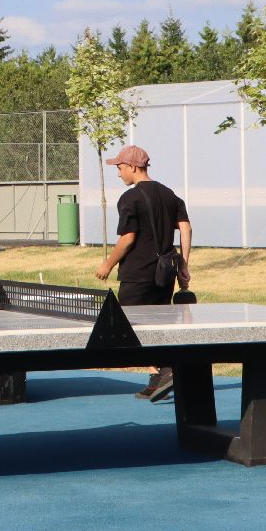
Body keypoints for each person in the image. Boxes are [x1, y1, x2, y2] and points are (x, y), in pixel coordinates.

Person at [94, 145, 192, 403]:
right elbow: (186, 228)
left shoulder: (129, 198)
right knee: (156, 326)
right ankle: (157, 378)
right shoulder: (170, 194)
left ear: (133, 167)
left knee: (128, 329)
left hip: (137, 274)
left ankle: (167, 369)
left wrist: (108, 265)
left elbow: (128, 239)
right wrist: (183, 264)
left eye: (120, 168)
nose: (118, 173)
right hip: (164, 274)